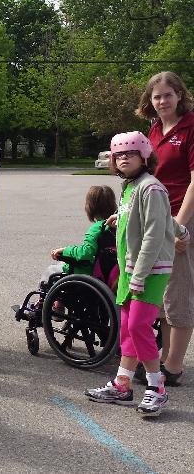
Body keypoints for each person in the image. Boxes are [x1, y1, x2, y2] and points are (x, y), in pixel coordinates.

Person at [86, 131, 188, 417]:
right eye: (118, 155)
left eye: (130, 153)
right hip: (132, 268)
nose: (123, 159)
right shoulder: (131, 188)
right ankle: (122, 384)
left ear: (144, 156)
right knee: (127, 327)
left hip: (149, 270)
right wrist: (123, 216)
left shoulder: (150, 187)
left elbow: (155, 235)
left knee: (139, 327)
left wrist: (140, 275)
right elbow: (158, 217)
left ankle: (157, 388)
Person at [141, 71, 194, 386]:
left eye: (167, 95)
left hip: (182, 219)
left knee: (179, 292)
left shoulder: (190, 127)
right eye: (156, 96)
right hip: (158, 217)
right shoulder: (155, 129)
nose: (162, 101)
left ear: (179, 95)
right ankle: (162, 357)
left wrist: (179, 225)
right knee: (159, 290)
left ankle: (173, 366)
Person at [49, 185, 117, 276]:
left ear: (90, 207)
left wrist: (65, 250)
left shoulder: (98, 228)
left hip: (88, 273)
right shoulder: (114, 225)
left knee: (50, 271)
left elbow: (86, 253)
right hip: (107, 270)